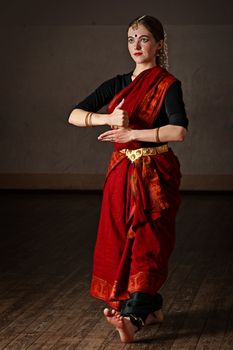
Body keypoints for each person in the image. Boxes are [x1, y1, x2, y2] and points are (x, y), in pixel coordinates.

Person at [68, 15, 189, 343]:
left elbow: (178, 130)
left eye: (145, 39)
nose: (137, 46)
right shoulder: (118, 83)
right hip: (121, 173)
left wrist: (133, 132)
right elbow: (74, 114)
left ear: (159, 44)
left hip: (154, 174)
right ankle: (150, 305)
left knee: (148, 243)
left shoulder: (167, 84)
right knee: (123, 241)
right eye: (131, 39)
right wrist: (106, 117)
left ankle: (134, 318)